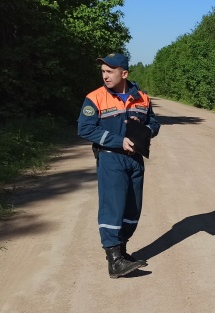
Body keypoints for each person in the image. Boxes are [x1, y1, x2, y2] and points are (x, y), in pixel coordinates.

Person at [77, 53, 160, 278]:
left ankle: (122, 251)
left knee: (133, 208)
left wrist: (146, 130)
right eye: (103, 72)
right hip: (110, 158)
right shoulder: (95, 98)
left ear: (124, 74)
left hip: (135, 159)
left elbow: (153, 122)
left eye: (110, 71)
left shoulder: (142, 97)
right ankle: (114, 260)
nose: (105, 76)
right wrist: (118, 141)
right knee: (113, 206)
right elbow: (85, 128)